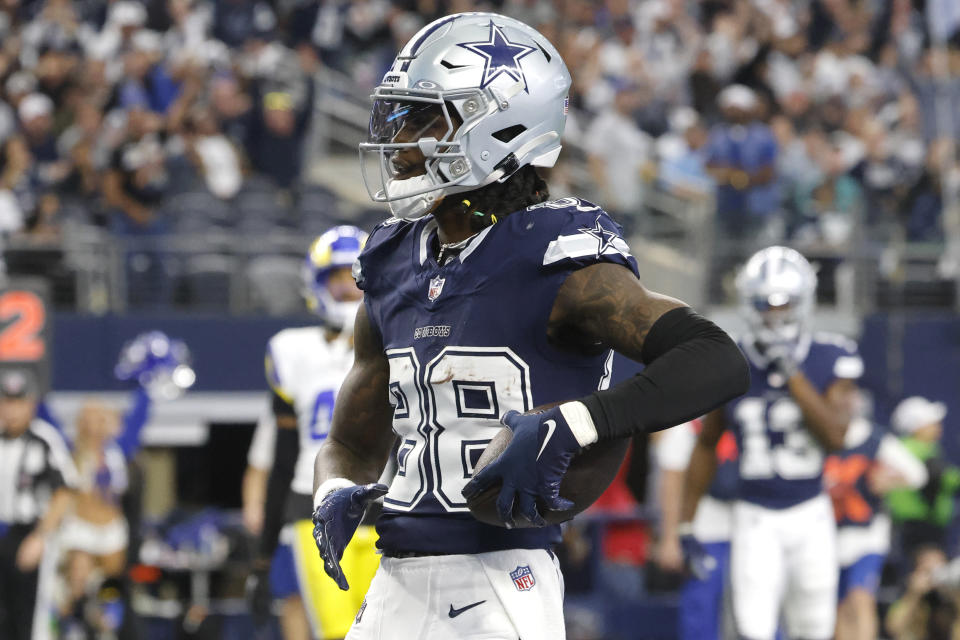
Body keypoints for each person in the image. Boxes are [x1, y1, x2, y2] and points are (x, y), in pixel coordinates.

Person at [311, 13, 748, 640]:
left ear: (501, 125)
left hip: (501, 577)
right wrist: (332, 491)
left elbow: (715, 358)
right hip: (394, 580)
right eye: (402, 115)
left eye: (427, 117)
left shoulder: (557, 254)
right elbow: (352, 444)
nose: (401, 138)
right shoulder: (390, 262)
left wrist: (576, 424)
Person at [681, 245, 863, 640]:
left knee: (815, 628)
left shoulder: (830, 355)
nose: (774, 314)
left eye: (784, 304)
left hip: (811, 512)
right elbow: (707, 443)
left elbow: (836, 436)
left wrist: (790, 371)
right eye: (765, 304)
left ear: (804, 303)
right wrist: (685, 522)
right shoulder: (733, 360)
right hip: (754, 515)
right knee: (752, 628)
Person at [246, 226, 380, 640]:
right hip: (315, 506)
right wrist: (264, 553)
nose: (347, 289)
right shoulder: (291, 350)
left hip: (387, 504)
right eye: (336, 279)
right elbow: (283, 456)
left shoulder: (400, 341)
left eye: (353, 278)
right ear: (317, 284)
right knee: (338, 632)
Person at [825, 415, 928, 640]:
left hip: (867, 534)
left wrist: (888, 479)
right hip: (829, 535)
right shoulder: (819, 430)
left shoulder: (872, 437)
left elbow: (918, 474)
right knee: (837, 604)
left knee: (861, 597)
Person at [0, 368, 76, 640]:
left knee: (29, 618)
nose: (12, 410)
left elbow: (64, 492)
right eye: (6, 402)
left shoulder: (44, 439)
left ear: (31, 404)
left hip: (28, 533)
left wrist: (39, 537)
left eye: (18, 402)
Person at [655, 418, 739, 640]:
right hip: (703, 534)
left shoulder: (748, 411)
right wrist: (670, 539)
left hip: (752, 529)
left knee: (758, 615)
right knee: (701, 617)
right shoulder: (686, 423)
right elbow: (671, 481)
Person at [886, 396, 960, 555]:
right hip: (922, 527)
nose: (938, 426)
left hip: (909, 526)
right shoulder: (918, 451)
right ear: (917, 427)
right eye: (931, 423)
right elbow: (945, 478)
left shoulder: (901, 448)